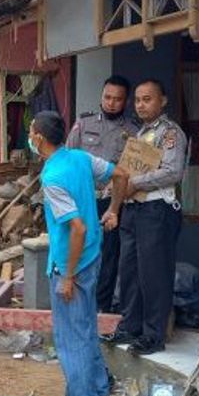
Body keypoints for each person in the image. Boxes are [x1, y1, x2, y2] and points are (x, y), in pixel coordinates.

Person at [30, 111, 128, 396]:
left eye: (31, 132)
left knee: (71, 339)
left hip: (72, 262)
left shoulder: (52, 178)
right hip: (92, 255)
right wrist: (114, 210)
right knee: (85, 329)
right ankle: (98, 392)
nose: (30, 136)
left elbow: (77, 228)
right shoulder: (81, 158)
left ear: (39, 139)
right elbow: (121, 174)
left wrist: (68, 276)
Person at [101, 79, 186, 355]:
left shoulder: (171, 133)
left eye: (147, 99)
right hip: (133, 209)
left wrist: (138, 182)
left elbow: (173, 171)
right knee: (129, 271)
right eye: (137, 100)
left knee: (154, 273)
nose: (141, 104)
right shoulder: (138, 134)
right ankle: (130, 326)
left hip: (157, 208)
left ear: (163, 101)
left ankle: (153, 335)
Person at [66, 75, 137, 314]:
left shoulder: (133, 132)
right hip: (83, 200)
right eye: (107, 97)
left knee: (108, 257)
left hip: (113, 203)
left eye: (117, 99)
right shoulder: (83, 124)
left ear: (125, 102)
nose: (111, 103)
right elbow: (69, 160)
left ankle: (101, 308)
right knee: (79, 251)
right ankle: (76, 304)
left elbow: (132, 171)